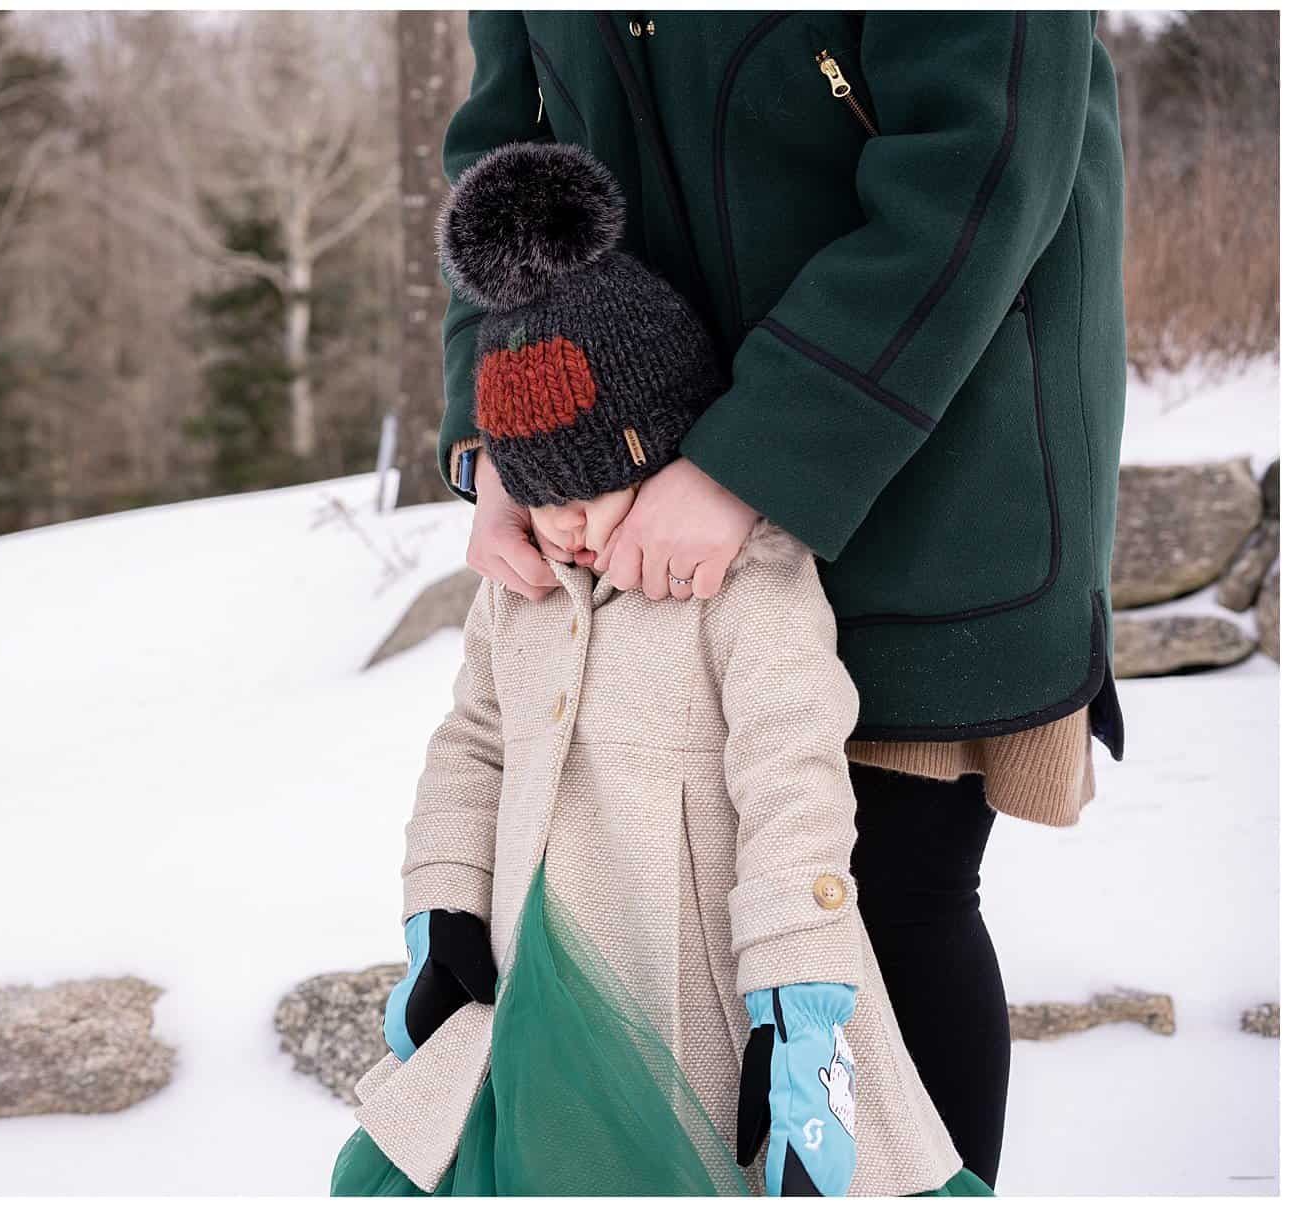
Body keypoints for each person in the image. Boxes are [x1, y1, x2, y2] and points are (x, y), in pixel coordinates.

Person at [432, 14, 1127, 1187]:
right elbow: (506, 159)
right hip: (637, 449)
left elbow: (985, 149)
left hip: (927, 414)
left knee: (887, 892)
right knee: (678, 911)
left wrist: (754, 457)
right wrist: (497, 434)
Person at [329, 140, 987, 1198]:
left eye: (599, 483)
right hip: (535, 994)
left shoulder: (747, 580)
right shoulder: (523, 585)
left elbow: (793, 778)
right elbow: (474, 741)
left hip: (693, 1003)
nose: (571, 520)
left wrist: (796, 992)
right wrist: (442, 900)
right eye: (543, 491)